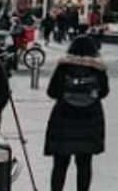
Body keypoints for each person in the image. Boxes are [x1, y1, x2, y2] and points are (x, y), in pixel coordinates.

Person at [45, 35, 110, 191]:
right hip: (90, 120)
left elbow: (52, 92)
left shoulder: (64, 67)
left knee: (60, 165)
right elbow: (104, 92)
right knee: (84, 164)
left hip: (63, 119)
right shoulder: (98, 69)